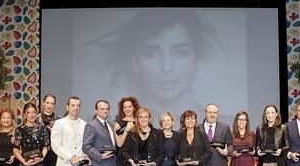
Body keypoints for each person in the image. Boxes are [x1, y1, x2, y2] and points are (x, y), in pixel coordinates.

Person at [96, 10, 231, 121]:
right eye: (151, 54)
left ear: (197, 59)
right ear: (135, 62)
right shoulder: (122, 125)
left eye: (180, 53)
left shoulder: (225, 124)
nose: (166, 68)